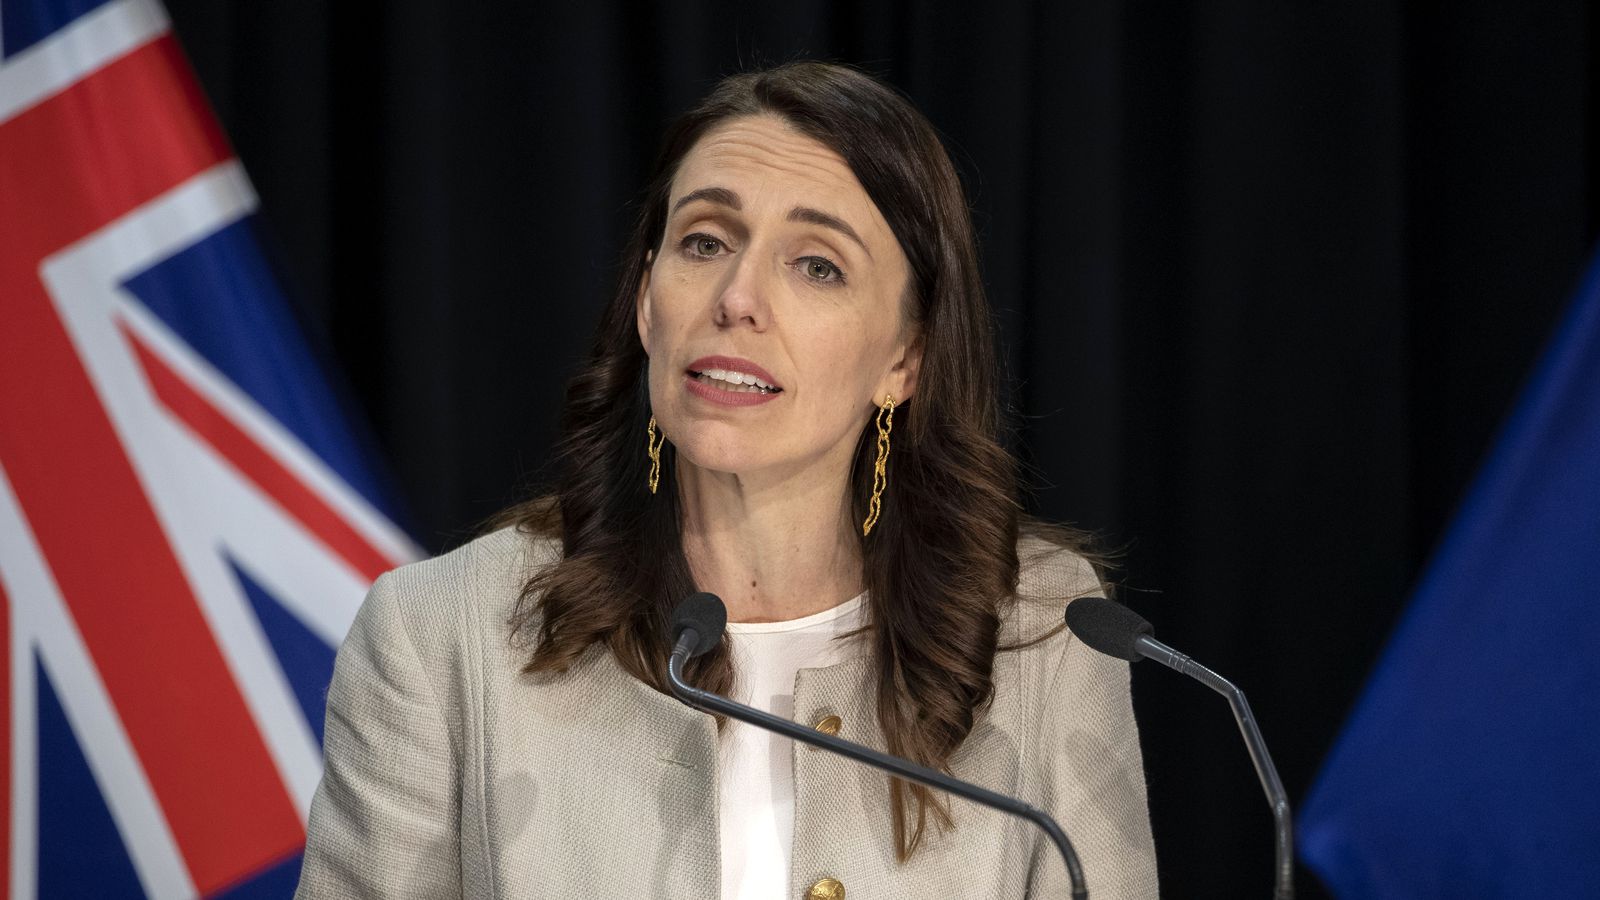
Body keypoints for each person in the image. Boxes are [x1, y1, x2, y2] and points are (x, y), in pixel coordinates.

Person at [295, 61, 1157, 899]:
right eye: (704, 242)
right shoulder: (441, 637)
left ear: (905, 358)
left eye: (817, 264)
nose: (737, 296)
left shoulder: (1047, 638)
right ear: (646, 302)